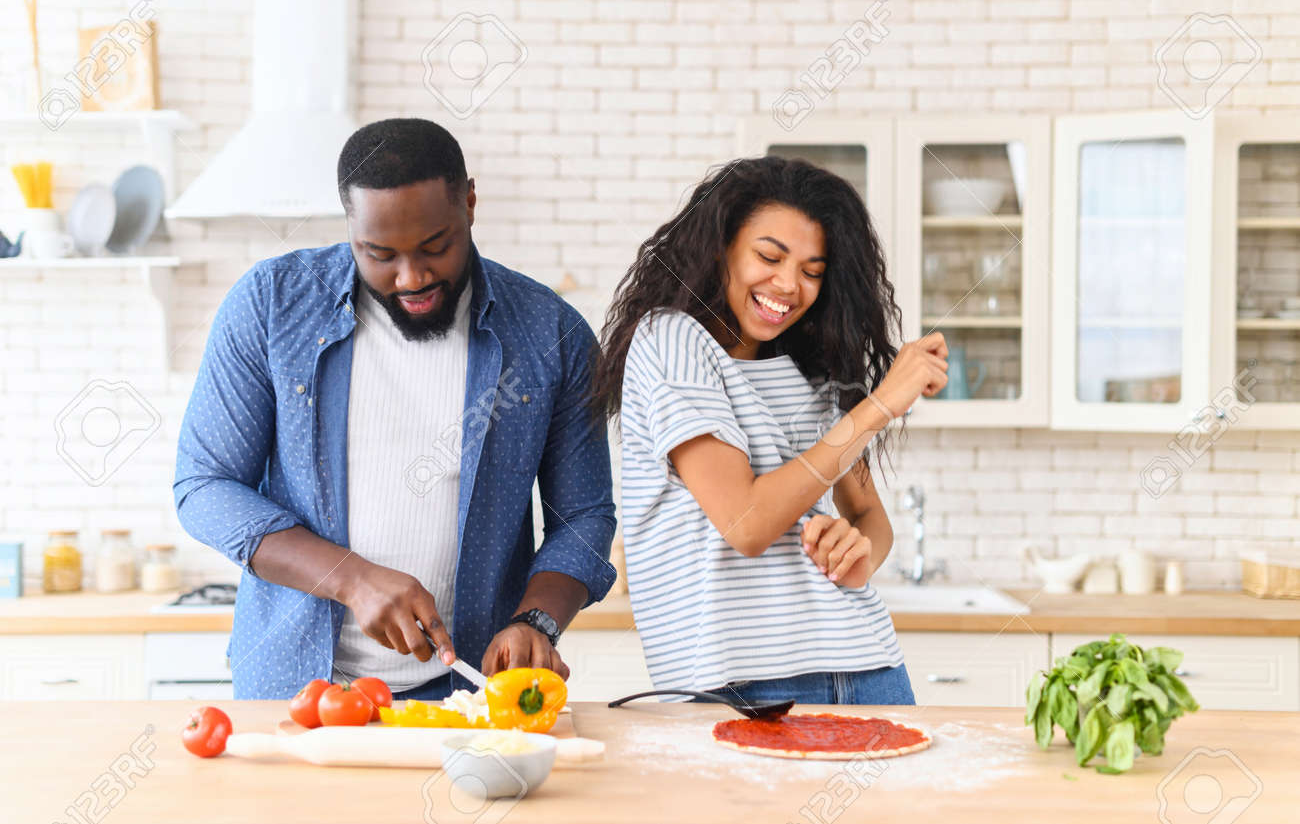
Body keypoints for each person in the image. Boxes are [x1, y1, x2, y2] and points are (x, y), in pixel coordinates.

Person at [174, 118, 616, 700]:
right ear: (350, 226)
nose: (412, 277)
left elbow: (584, 518)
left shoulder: (548, 332)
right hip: (299, 690)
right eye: (379, 254)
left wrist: (536, 620)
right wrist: (351, 579)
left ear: (471, 204)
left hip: (467, 693)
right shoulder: (271, 306)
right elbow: (204, 486)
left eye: (436, 247)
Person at [593, 156, 949, 705]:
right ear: (722, 246)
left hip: (867, 666)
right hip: (738, 682)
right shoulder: (672, 341)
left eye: (812, 270)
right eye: (769, 256)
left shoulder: (815, 368)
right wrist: (880, 405)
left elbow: (869, 516)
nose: (788, 285)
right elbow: (746, 523)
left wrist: (859, 557)